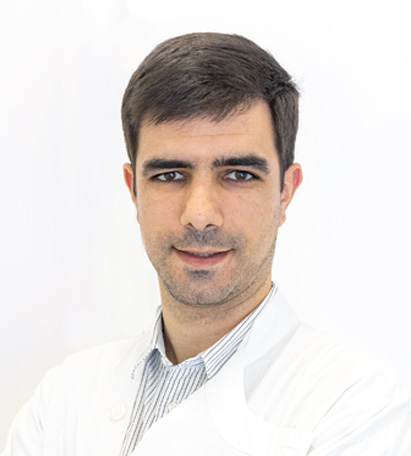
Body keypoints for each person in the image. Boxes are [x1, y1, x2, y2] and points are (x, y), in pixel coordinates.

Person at [2, 32, 411, 456]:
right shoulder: (61, 401)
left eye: (238, 175)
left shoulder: (359, 409)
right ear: (133, 190)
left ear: (286, 192)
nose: (200, 214)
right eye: (169, 175)